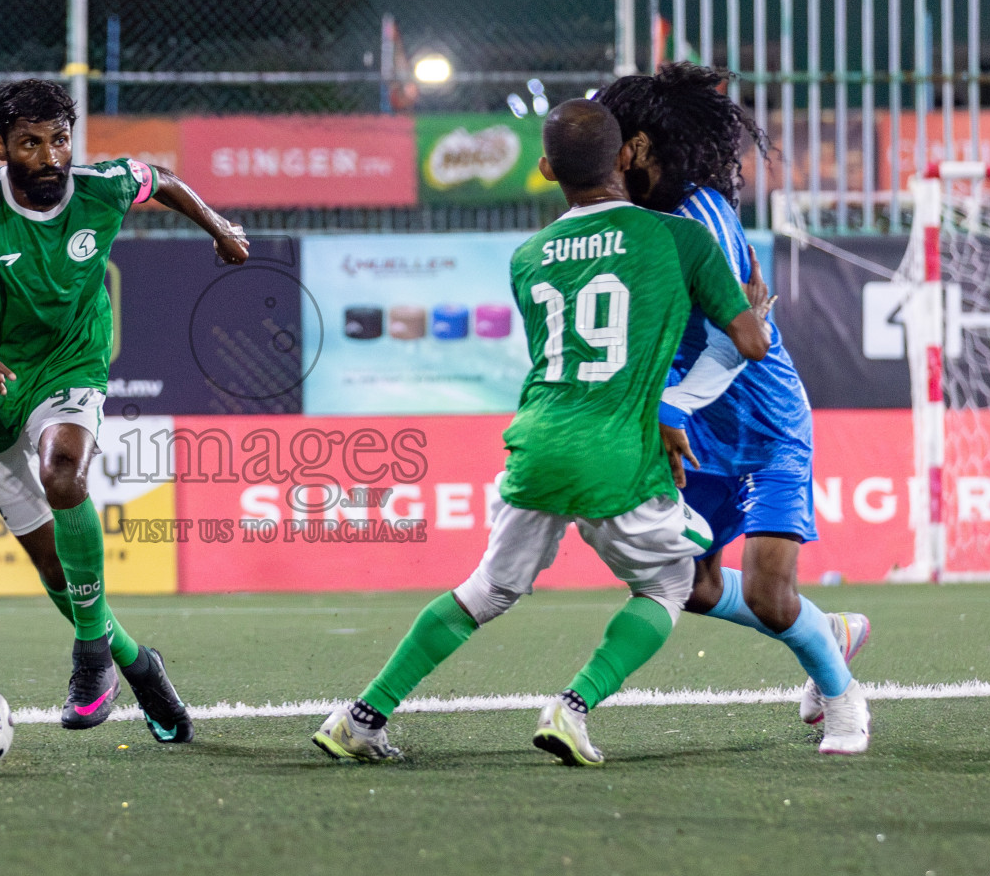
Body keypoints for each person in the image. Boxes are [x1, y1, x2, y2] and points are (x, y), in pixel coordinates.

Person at [312, 99, 770, 766]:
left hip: (536, 439)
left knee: (488, 589)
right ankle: (572, 706)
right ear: (624, 157)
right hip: (615, 450)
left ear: (547, 168)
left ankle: (362, 716)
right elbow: (750, 343)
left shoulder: (529, 256)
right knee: (672, 582)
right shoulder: (679, 239)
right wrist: (753, 306)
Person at [0, 79, 249, 742]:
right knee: (57, 569)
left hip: (71, 364)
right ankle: (138, 666)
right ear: (1, 147)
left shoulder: (101, 186)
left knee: (65, 472)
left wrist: (219, 227)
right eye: (30, 143)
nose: (51, 156)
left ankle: (90, 658)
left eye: (59, 139)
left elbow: (163, 179)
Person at [597, 62, 871, 755]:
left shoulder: (701, 219)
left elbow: (738, 341)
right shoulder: (625, 220)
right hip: (696, 429)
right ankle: (829, 631)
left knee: (772, 598)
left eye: (613, 139)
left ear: (642, 147)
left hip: (766, 422)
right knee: (693, 585)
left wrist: (671, 404)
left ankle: (843, 702)